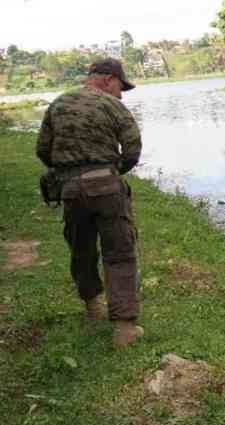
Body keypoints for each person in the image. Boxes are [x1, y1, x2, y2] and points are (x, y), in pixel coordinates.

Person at [36, 58, 144, 348]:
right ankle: (123, 328)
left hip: (70, 189)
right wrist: (113, 172)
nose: (121, 94)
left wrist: (68, 172)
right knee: (120, 253)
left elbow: (42, 149)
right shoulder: (113, 106)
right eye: (121, 86)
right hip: (107, 186)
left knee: (81, 249)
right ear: (108, 79)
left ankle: (95, 306)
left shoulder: (58, 104)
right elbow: (133, 148)